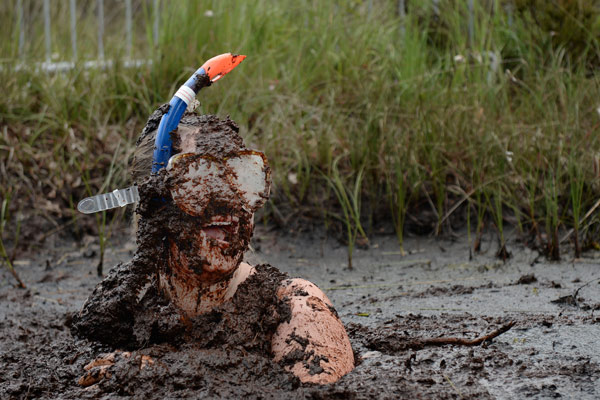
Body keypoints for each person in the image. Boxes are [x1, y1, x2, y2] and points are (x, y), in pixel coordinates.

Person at [72, 109, 354, 385]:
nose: (228, 200)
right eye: (199, 179)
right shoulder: (117, 305)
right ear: (152, 201)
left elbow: (320, 393)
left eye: (241, 177)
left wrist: (163, 376)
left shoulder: (295, 307)